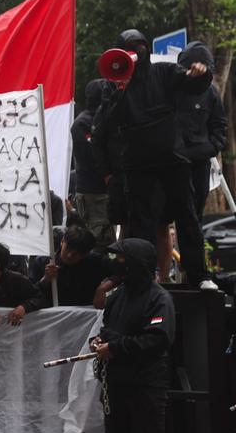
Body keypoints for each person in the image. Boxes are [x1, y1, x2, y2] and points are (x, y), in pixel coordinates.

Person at [90, 29, 214, 288]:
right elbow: (105, 124)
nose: (137, 51)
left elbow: (192, 85)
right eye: (130, 47)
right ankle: (141, 277)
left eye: (139, 46)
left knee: (187, 217)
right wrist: (119, 91)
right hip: (138, 166)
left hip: (173, 158)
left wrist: (200, 74)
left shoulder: (164, 72)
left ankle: (199, 276)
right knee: (140, 225)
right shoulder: (113, 86)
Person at [89, 238, 175, 433]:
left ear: (135, 263)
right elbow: (108, 329)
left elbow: (156, 339)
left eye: (121, 258)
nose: (116, 263)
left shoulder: (159, 299)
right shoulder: (117, 295)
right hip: (116, 380)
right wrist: (98, 341)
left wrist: (115, 347)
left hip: (146, 382)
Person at [175, 41, 227, 219]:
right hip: (174, 164)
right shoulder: (172, 89)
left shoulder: (211, 93)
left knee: (195, 217)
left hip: (200, 165)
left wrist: (209, 148)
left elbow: (219, 127)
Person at [74, 79, 115, 247]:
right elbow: (93, 154)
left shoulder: (104, 117)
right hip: (93, 191)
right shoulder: (83, 123)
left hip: (106, 189)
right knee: (99, 238)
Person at [37, 227, 109, 307]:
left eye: (77, 253)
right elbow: (31, 294)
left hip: (85, 315)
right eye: (68, 248)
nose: (70, 255)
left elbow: (121, 270)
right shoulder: (42, 261)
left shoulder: (95, 262)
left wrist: (103, 288)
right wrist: (45, 279)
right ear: (62, 241)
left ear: (86, 253)